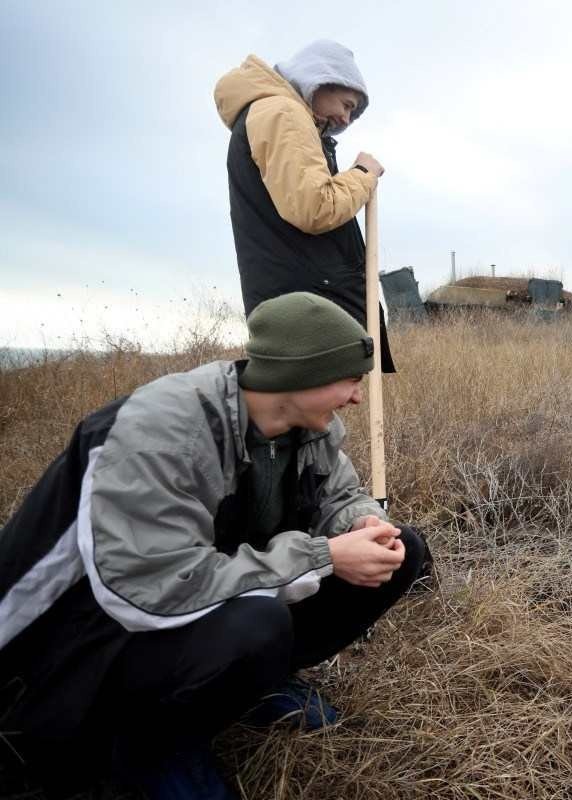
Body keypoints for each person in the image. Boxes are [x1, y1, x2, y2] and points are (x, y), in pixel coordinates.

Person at [0, 292, 427, 799]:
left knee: (405, 549)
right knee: (258, 623)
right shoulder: (161, 431)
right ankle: (153, 746)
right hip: (81, 639)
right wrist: (324, 556)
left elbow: (341, 493)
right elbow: (151, 588)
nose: (357, 398)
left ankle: (258, 682)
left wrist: (364, 524)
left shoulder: (305, 426)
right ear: (302, 374)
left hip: (190, 598)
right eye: (351, 379)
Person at [214, 39, 396, 372]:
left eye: (352, 112)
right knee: (317, 399)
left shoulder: (270, 113)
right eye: (346, 104)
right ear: (320, 80)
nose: (346, 118)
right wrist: (363, 174)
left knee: (315, 403)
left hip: (297, 304)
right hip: (307, 309)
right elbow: (315, 207)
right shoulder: (283, 113)